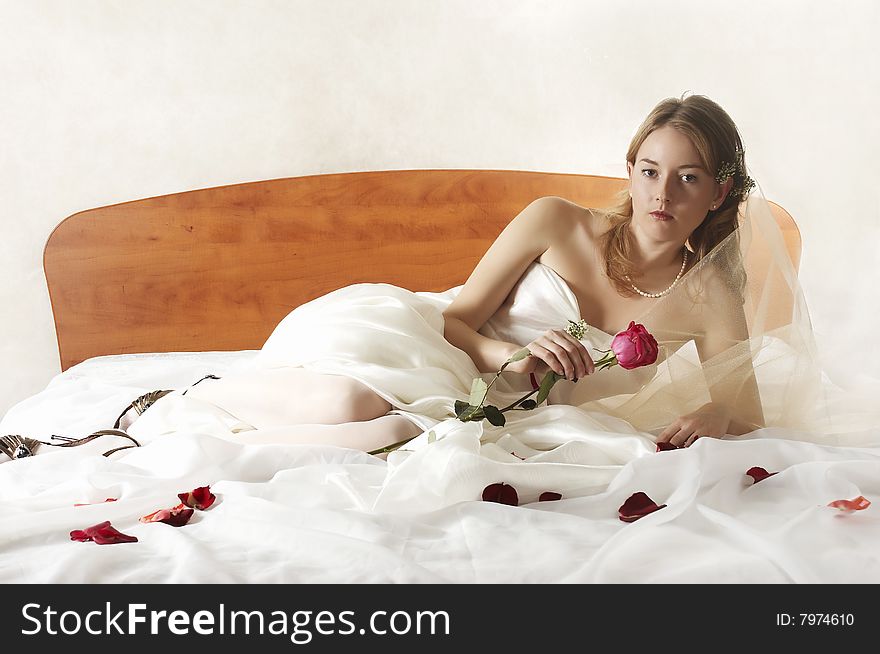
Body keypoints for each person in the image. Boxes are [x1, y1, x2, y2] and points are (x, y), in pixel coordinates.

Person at [182, 94, 823, 456]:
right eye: (650, 170)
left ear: (718, 193)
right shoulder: (556, 223)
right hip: (435, 346)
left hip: (514, 413)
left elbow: (746, 412)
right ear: (630, 171)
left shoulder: (708, 294)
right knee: (353, 405)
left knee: (391, 435)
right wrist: (510, 355)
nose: (663, 195)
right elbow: (455, 318)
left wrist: (716, 414)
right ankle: (193, 396)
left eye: (689, 178)